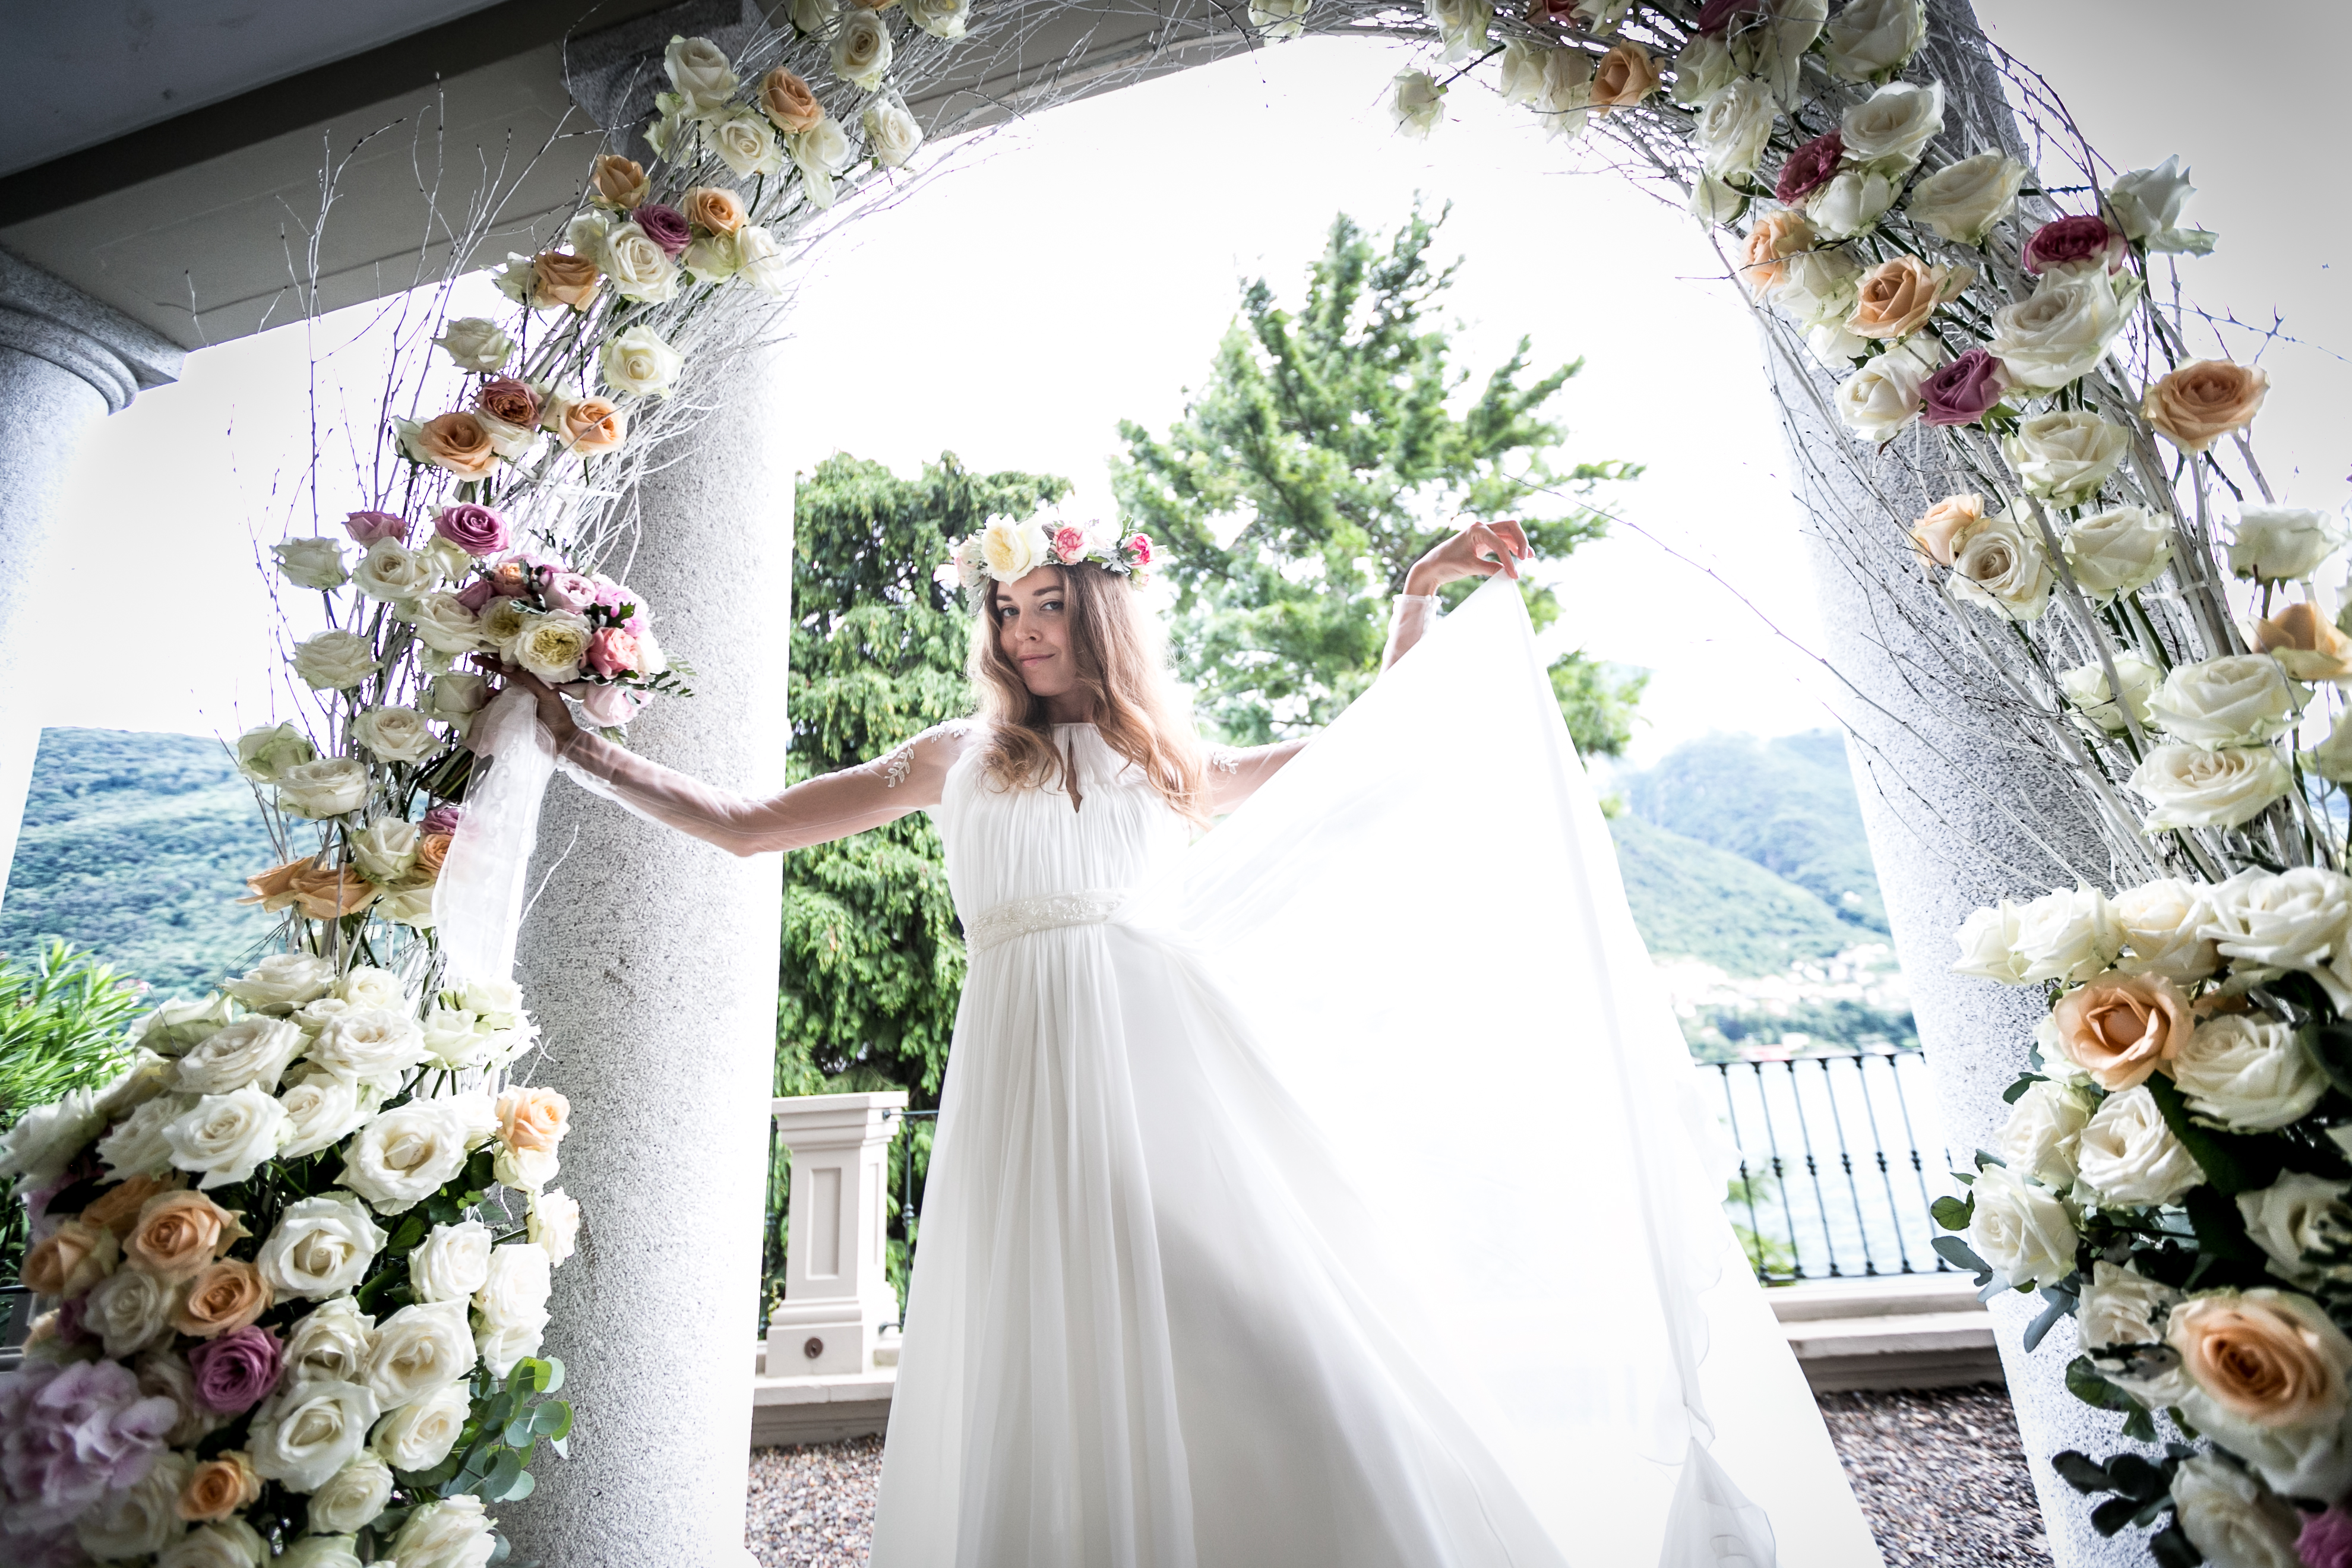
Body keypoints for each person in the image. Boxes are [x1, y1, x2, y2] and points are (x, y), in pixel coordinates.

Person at [489, 517, 1880, 1568]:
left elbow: (1359, 761)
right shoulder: (947, 757)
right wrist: (583, 750)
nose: (1023, 630)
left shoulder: (1170, 762)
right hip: (1027, 1068)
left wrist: (1416, 595)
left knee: (1272, 1328)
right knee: (1050, 1347)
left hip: (1170, 1064)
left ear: (1098, 615)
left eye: (1048, 606)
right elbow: (745, 826)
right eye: (1007, 609)